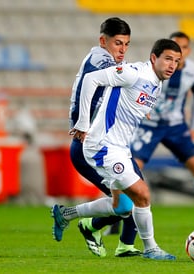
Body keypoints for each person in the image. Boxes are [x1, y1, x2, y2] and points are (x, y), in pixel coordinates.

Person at [51, 38, 182, 260]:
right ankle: (151, 249)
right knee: (142, 194)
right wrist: (83, 122)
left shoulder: (157, 83)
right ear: (153, 58)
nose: (172, 65)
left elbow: (132, 100)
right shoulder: (134, 72)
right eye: (168, 59)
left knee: (122, 206)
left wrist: (143, 110)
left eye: (177, 61)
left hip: (120, 148)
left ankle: (65, 214)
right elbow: (91, 79)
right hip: (102, 146)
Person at [130, 31, 194, 235]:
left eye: (184, 47)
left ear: (188, 50)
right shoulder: (154, 68)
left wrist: (192, 127)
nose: (180, 51)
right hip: (149, 126)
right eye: (175, 47)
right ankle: (120, 216)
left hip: (176, 126)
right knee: (132, 171)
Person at [63, 17, 140, 258]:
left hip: (106, 145)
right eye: (118, 43)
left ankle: (122, 243)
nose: (122, 50)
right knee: (130, 199)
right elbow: (89, 86)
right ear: (102, 41)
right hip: (88, 147)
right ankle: (83, 222)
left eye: (126, 44)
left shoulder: (107, 61)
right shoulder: (100, 59)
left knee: (133, 198)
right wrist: (82, 124)